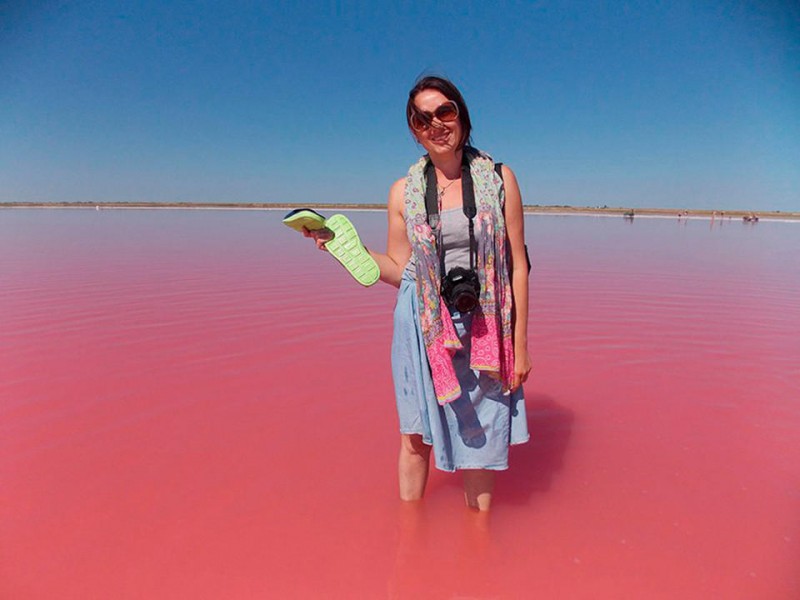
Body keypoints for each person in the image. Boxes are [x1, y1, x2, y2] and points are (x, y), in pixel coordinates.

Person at [307, 76, 531, 511]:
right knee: (414, 433)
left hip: (487, 322)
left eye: (444, 112)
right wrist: (341, 244)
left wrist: (519, 346)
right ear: (414, 130)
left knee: (480, 439)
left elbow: (517, 265)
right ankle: (410, 547)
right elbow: (396, 268)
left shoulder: (500, 178)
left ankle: (477, 537)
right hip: (420, 324)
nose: (436, 124)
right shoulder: (402, 192)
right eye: (422, 118)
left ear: (462, 115)